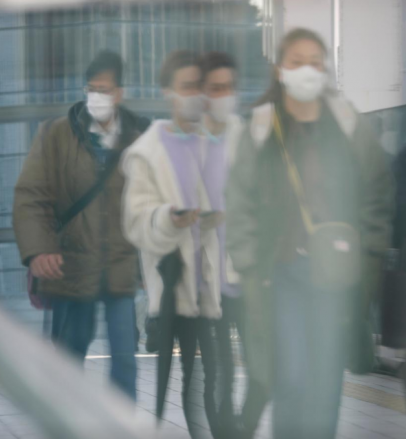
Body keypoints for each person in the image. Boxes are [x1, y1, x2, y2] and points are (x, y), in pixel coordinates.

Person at [226, 28, 394, 439]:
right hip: (280, 275)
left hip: (335, 276)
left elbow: (377, 191)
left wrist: (367, 248)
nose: (307, 71)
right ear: (281, 70)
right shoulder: (263, 126)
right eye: (297, 61)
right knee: (293, 377)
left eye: (316, 62)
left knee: (326, 382)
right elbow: (239, 200)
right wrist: (249, 263)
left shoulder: (346, 122)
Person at [13, 51, 148, 400]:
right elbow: (31, 194)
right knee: (69, 359)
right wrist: (39, 248)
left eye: (104, 90)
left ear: (118, 93)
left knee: (124, 361)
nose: (96, 98)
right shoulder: (56, 134)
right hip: (71, 267)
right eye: (91, 89)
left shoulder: (139, 137)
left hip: (119, 267)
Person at [121, 50, 229, 437]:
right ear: (168, 92)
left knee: (211, 380)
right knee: (192, 381)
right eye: (187, 87)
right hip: (174, 286)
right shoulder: (146, 154)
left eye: (200, 87)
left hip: (216, 284)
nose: (196, 95)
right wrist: (170, 218)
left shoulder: (215, 143)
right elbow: (137, 222)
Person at [198, 51, 246, 437]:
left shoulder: (249, 139)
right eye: (216, 88)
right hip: (206, 279)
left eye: (229, 87)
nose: (224, 94)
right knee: (220, 374)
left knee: (263, 370)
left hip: (248, 274)